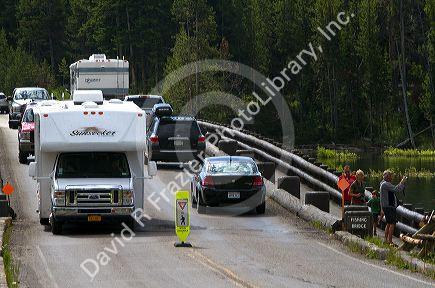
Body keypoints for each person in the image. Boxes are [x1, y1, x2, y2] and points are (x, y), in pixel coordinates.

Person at [380, 170, 406, 245]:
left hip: (387, 207)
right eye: (390, 176)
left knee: (388, 223)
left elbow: (395, 188)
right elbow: (396, 189)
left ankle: (385, 240)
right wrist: (402, 182)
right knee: (392, 223)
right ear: (387, 177)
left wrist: (401, 183)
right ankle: (390, 241)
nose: (392, 177)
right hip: (389, 207)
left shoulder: (384, 183)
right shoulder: (385, 184)